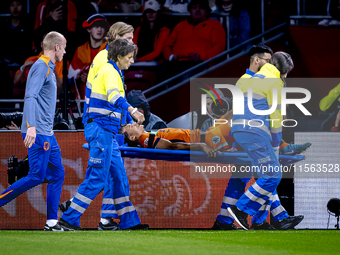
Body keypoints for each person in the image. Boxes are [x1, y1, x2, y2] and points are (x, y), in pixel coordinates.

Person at [59, 39, 148, 231]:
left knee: (107, 175)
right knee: (97, 177)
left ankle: (125, 221)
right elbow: (114, 97)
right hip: (100, 131)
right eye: (130, 57)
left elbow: (107, 108)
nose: (132, 61)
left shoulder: (112, 71)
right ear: (119, 56)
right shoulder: (110, 71)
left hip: (103, 130)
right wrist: (132, 110)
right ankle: (68, 218)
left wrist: (123, 128)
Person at [0, 31, 67, 231]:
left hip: (48, 133)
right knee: (36, 176)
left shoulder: (48, 67)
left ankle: (52, 222)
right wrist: (30, 127)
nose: (64, 50)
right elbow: (30, 97)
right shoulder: (40, 67)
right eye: (63, 46)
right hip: (39, 133)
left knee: (58, 174)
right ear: (56, 47)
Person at [226, 52, 295, 230]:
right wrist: (276, 144)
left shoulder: (253, 78)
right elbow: (276, 118)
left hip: (240, 131)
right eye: (287, 73)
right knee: (273, 174)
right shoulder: (275, 82)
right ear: (284, 72)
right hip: (255, 132)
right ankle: (240, 210)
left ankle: (277, 216)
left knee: (266, 176)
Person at [163, 0, 226, 76]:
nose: (197, 10)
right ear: (190, 10)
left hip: (202, 64)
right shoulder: (180, 26)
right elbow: (167, 45)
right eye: (194, 7)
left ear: (207, 10)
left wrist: (201, 56)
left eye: (201, 7)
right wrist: (170, 56)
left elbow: (219, 47)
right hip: (177, 63)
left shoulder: (214, 25)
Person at [68, 14, 110, 99]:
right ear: (89, 29)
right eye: (96, 26)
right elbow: (71, 75)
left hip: (104, 98)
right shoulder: (80, 50)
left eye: (102, 26)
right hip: (83, 98)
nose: (99, 29)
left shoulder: (110, 49)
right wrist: (78, 75)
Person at [13, 31, 64, 97]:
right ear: (42, 44)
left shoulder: (62, 62)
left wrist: (55, 74)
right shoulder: (31, 60)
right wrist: (23, 69)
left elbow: (60, 89)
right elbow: (16, 82)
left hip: (52, 104)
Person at [0, 0, 33, 98]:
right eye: (12, 5)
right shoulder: (3, 26)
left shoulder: (28, 26)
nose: (15, 8)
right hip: (5, 66)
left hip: (22, 64)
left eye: (18, 4)